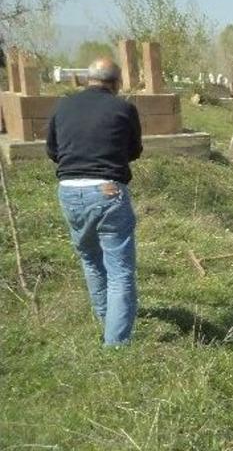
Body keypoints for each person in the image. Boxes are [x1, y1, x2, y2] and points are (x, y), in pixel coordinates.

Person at [46, 58, 143, 347]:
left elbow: (52, 150)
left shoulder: (63, 106)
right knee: (120, 270)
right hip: (108, 191)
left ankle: (106, 317)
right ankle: (116, 344)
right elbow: (134, 150)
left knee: (90, 259)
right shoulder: (124, 109)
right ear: (116, 83)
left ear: (88, 79)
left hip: (69, 191)